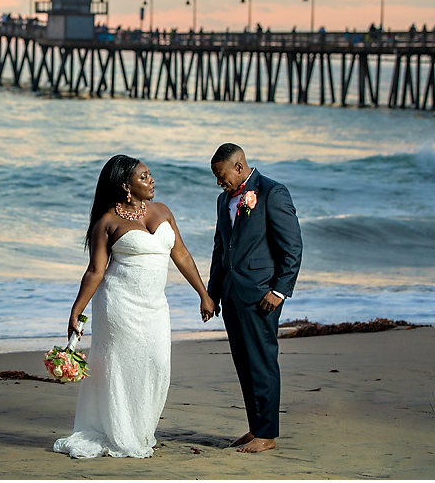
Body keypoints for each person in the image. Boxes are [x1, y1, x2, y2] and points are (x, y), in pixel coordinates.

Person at [54, 155, 215, 459]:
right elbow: (95, 272)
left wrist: (203, 294)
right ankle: (120, 432)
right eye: (144, 177)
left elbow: (180, 254)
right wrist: (77, 310)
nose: (151, 180)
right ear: (126, 186)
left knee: (157, 365)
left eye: (150, 175)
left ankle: (141, 429)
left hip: (155, 306)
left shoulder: (163, 211)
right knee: (119, 369)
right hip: (118, 305)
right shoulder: (107, 223)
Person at [207, 143, 302, 453]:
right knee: (244, 364)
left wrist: (279, 290)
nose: (219, 183)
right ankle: (255, 427)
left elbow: (292, 247)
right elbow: (220, 248)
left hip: (262, 294)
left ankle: (267, 434)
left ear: (239, 167)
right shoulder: (223, 201)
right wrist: (212, 293)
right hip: (232, 293)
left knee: (262, 363)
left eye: (222, 176)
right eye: (216, 178)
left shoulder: (273, 192)